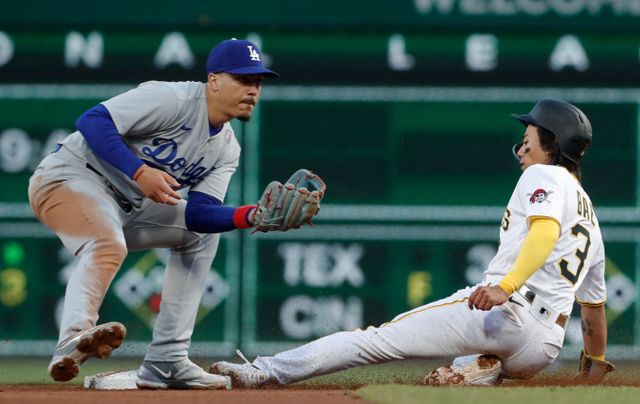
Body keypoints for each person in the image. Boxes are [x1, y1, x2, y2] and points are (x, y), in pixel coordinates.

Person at [210, 99, 614, 387]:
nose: (523, 146)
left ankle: (263, 371)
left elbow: (544, 233)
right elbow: (593, 312)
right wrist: (593, 371)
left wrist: (504, 287)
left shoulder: (543, 174)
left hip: (507, 313)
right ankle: (478, 369)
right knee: (474, 357)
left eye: (529, 136)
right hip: (543, 347)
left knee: (375, 340)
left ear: (551, 144)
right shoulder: (591, 219)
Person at [28, 38, 318, 390]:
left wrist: (251, 215)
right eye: (243, 79)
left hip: (129, 207)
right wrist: (139, 171)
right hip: (69, 177)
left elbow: (199, 215)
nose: (253, 90)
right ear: (214, 80)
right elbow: (92, 120)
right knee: (107, 243)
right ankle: (72, 340)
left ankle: (167, 361)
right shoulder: (173, 99)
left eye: (257, 82)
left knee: (201, 236)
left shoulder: (227, 149)